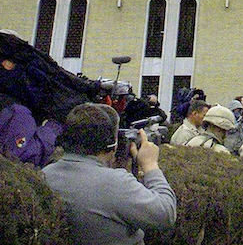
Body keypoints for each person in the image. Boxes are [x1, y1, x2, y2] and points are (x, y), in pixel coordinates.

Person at [42, 103, 176, 245]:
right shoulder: (115, 183)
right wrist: (150, 165)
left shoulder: (45, 174)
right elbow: (166, 214)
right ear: (111, 144)